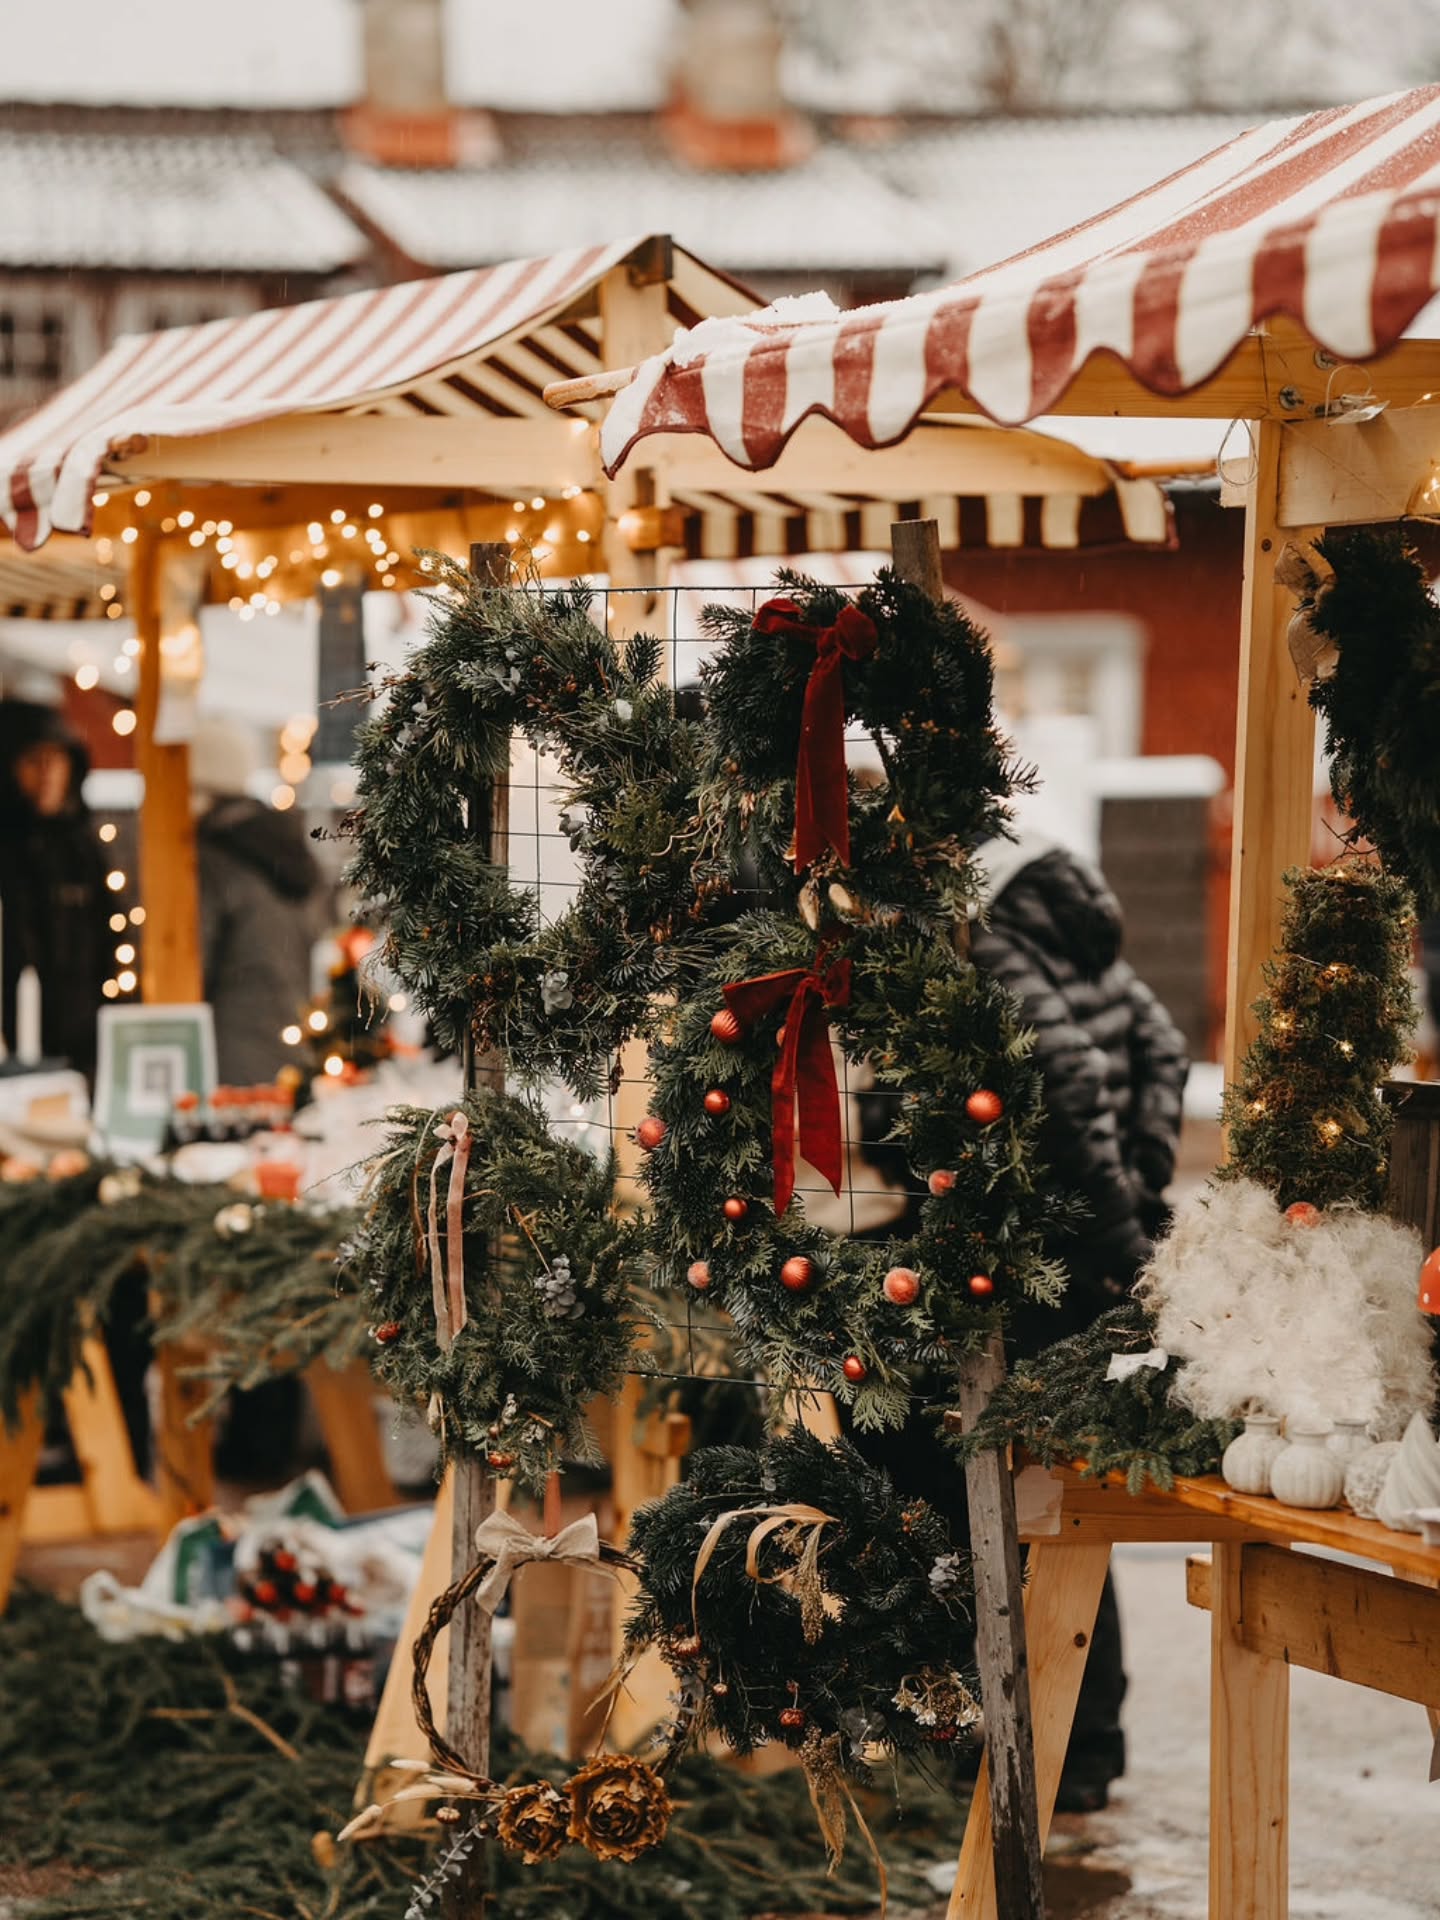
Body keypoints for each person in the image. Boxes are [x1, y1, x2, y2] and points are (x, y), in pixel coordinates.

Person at [853, 830, 1187, 1812]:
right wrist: (1147, 1173)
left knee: (1016, 1500)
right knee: (1060, 1501)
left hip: (1029, 1269)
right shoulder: (1101, 958)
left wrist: (1117, 1226)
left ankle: (1052, 1745)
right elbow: (1163, 1054)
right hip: (1075, 1267)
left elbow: (1070, 1083)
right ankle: (1084, 1743)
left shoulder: (994, 954)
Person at [192, 716, 323, 1085]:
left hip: (229, 1056)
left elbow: (193, 957)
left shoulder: (213, 858)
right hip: (288, 1039)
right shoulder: (277, 845)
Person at [0, 699, 110, 1078]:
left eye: (56, 760)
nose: (47, 773)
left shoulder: (82, 851)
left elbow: (109, 948)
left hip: (81, 1048)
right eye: (33, 760)